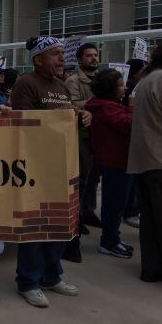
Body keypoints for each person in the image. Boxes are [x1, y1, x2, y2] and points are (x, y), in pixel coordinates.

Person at [10, 36, 91, 308]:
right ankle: (28, 282)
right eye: (55, 54)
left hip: (63, 166)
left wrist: (81, 116)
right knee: (35, 226)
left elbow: (67, 117)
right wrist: (65, 118)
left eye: (61, 54)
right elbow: (24, 124)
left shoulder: (60, 85)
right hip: (35, 168)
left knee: (59, 223)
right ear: (38, 59)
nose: (61, 59)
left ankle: (51, 275)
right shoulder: (26, 84)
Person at [85, 69, 134, 259]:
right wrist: (131, 106)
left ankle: (113, 237)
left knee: (115, 202)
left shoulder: (107, 105)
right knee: (114, 203)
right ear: (110, 89)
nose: (125, 88)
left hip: (117, 160)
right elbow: (127, 125)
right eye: (121, 85)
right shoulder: (107, 108)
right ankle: (109, 241)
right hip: (115, 161)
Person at [127, 44, 162, 283]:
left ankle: (152, 270)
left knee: (150, 221)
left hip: (144, 160)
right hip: (158, 159)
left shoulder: (148, 79)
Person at [65, 43, 101, 232]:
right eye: (89, 56)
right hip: (81, 134)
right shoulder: (73, 81)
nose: (94, 58)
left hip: (98, 135)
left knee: (94, 176)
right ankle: (76, 217)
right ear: (80, 59)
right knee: (82, 177)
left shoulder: (101, 79)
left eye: (96, 55)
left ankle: (88, 211)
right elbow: (71, 105)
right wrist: (97, 101)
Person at [121, 58, 148, 228]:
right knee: (129, 180)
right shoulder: (127, 92)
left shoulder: (141, 88)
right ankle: (130, 211)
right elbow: (126, 120)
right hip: (128, 142)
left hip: (138, 139)